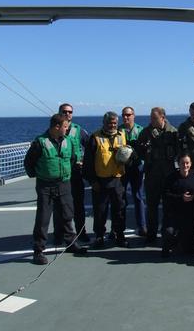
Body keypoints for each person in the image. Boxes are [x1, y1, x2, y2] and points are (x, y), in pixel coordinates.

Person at [24, 113, 87, 265]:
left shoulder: (69, 142)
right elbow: (29, 163)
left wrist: (64, 172)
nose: (67, 129)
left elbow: (72, 159)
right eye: (65, 127)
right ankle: (38, 251)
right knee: (43, 218)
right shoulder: (40, 142)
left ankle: (71, 243)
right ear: (56, 127)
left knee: (67, 214)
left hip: (64, 183)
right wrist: (39, 175)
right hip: (45, 185)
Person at [83, 111, 129, 248]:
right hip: (100, 182)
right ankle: (99, 236)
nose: (112, 125)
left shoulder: (122, 136)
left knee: (119, 210)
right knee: (100, 211)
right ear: (104, 123)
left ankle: (119, 235)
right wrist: (93, 181)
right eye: (109, 123)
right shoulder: (95, 137)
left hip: (118, 180)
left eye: (115, 123)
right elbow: (88, 163)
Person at [135, 107, 179, 245]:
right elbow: (139, 152)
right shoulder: (145, 133)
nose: (151, 120)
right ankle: (151, 234)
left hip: (168, 176)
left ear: (163, 117)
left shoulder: (173, 132)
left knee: (169, 207)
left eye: (154, 118)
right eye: (151, 118)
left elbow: (179, 152)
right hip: (152, 175)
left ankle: (168, 234)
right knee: (152, 207)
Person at [54, 103, 90, 243]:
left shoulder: (78, 130)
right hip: (60, 175)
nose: (68, 114)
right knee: (59, 206)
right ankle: (59, 234)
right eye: (64, 111)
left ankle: (81, 232)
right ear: (59, 113)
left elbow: (91, 146)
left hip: (75, 173)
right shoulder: (54, 130)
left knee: (78, 205)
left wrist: (84, 162)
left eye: (70, 112)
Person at [162, 153, 194, 257]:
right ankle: (171, 244)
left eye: (187, 163)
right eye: (182, 163)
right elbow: (165, 196)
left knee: (191, 250)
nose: (185, 166)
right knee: (169, 232)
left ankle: (181, 241)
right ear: (178, 164)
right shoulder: (171, 178)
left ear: (191, 164)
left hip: (190, 217)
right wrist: (181, 197)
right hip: (174, 216)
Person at [118, 106, 147, 237]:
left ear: (133, 116)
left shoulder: (141, 130)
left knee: (138, 197)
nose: (126, 117)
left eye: (128, 115)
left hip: (137, 167)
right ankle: (119, 228)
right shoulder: (118, 131)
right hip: (122, 168)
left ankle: (142, 226)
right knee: (120, 198)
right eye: (124, 115)